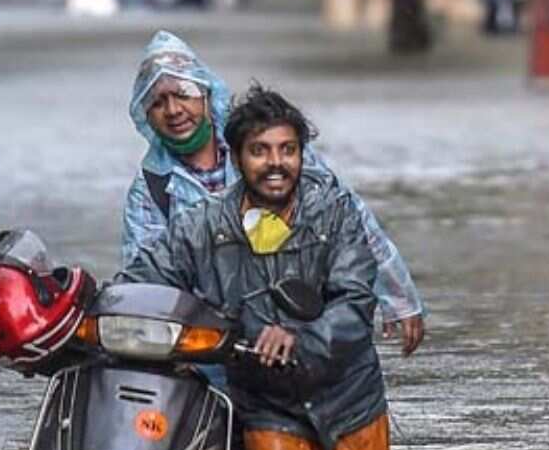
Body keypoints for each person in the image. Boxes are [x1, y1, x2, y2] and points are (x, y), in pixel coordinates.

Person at [121, 85, 390, 450]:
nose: (276, 163)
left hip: (350, 401)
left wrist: (300, 338)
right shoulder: (202, 227)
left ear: (301, 154)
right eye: (260, 151)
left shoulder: (335, 213)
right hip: (267, 407)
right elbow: (141, 281)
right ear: (237, 157)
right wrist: (87, 308)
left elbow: (355, 303)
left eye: (288, 150)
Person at [122, 31, 425, 356]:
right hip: (213, 341)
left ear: (207, 95)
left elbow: (352, 225)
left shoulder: (271, 148)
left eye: (183, 93)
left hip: (301, 323)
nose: (173, 110)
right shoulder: (150, 189)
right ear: (146, 116)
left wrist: (399, 298)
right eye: (157, 102)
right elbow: (145, 276)